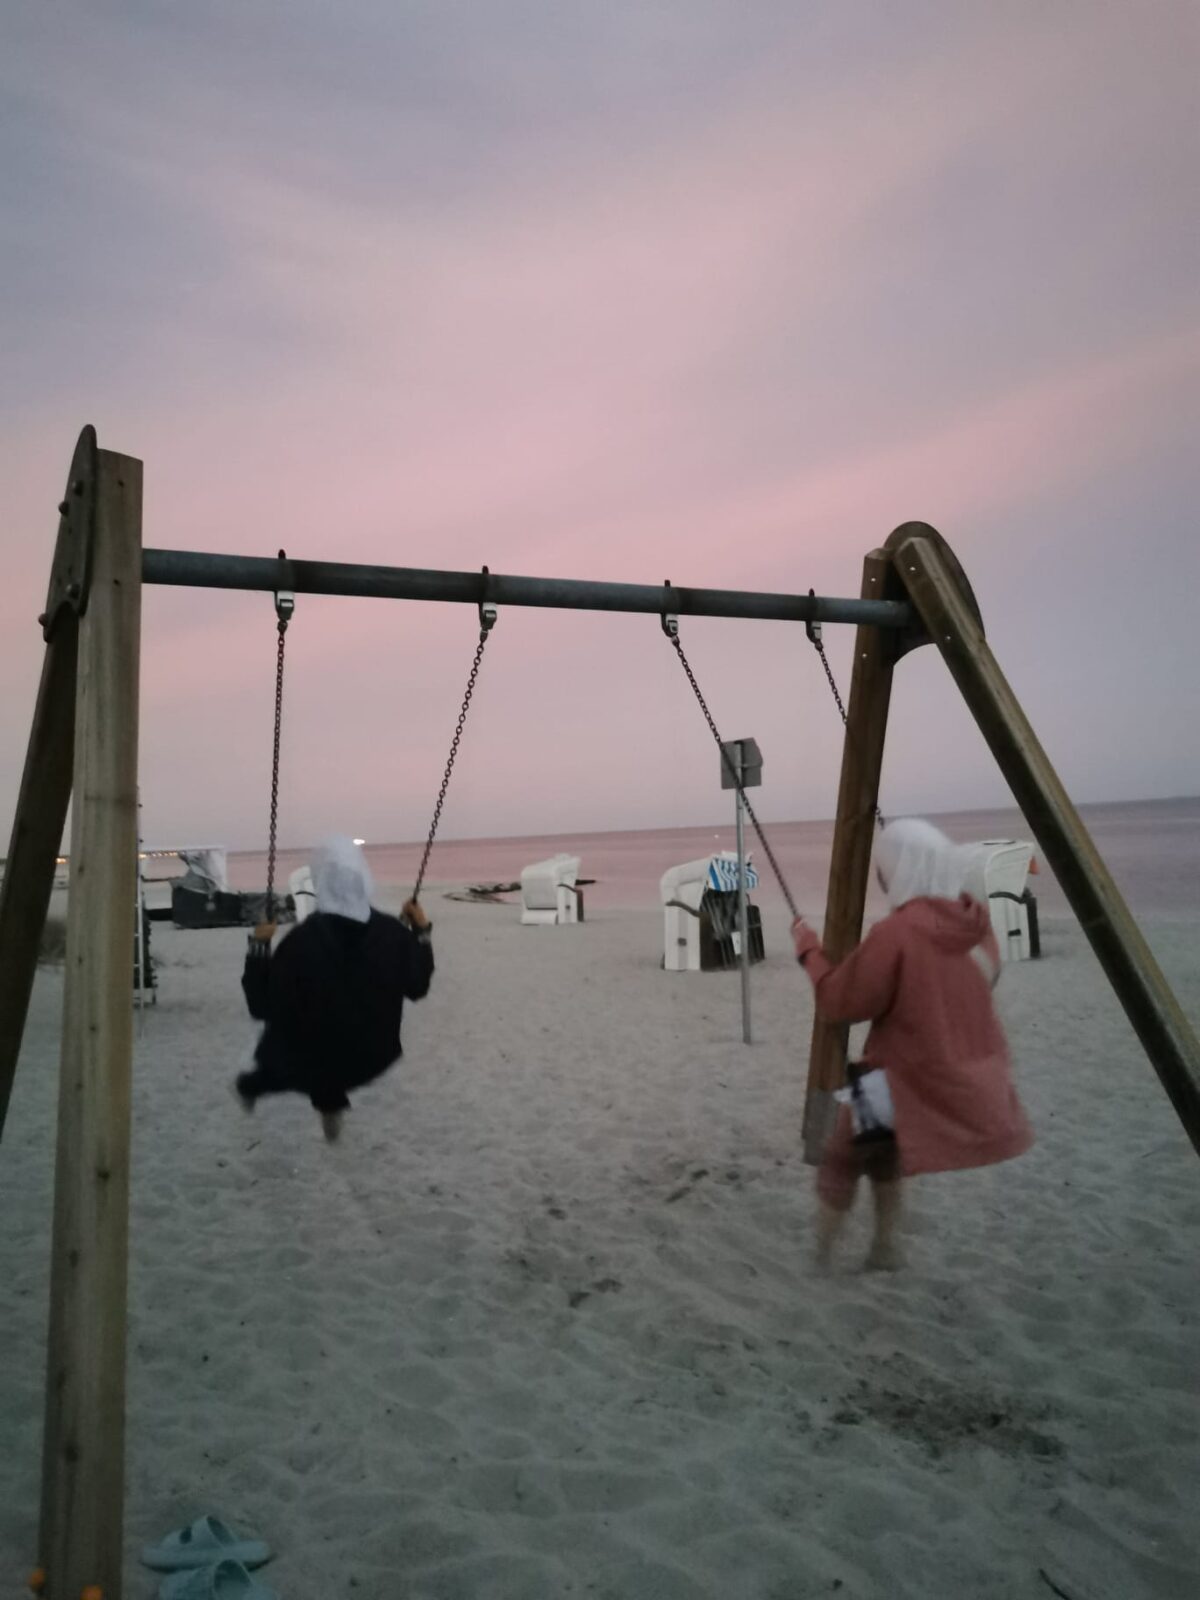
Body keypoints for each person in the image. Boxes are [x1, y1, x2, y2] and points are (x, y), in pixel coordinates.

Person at [792, 817, 1032, 1271]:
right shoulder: (979, 929)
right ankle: (885, 1248)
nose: (883, 881)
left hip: (896, 1076)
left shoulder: (897, 934)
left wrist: (810, 952)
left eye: (885, 871)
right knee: (883, 1154)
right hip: (963, 1077)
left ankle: (821, 1258)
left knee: (843, 1155)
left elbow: (841, 1002)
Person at [235, 836, 434, 1140]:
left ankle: (257, 1084)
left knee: (303, 1037)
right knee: (336, 1021)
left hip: (310, 1059)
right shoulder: (392, 935)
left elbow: (260, 1005)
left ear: (320, 881)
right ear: (365, 880)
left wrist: (260, 946)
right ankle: (327, 1101)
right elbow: (418, 987)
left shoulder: (301, 942)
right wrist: (420, 931)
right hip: (373, 1056)